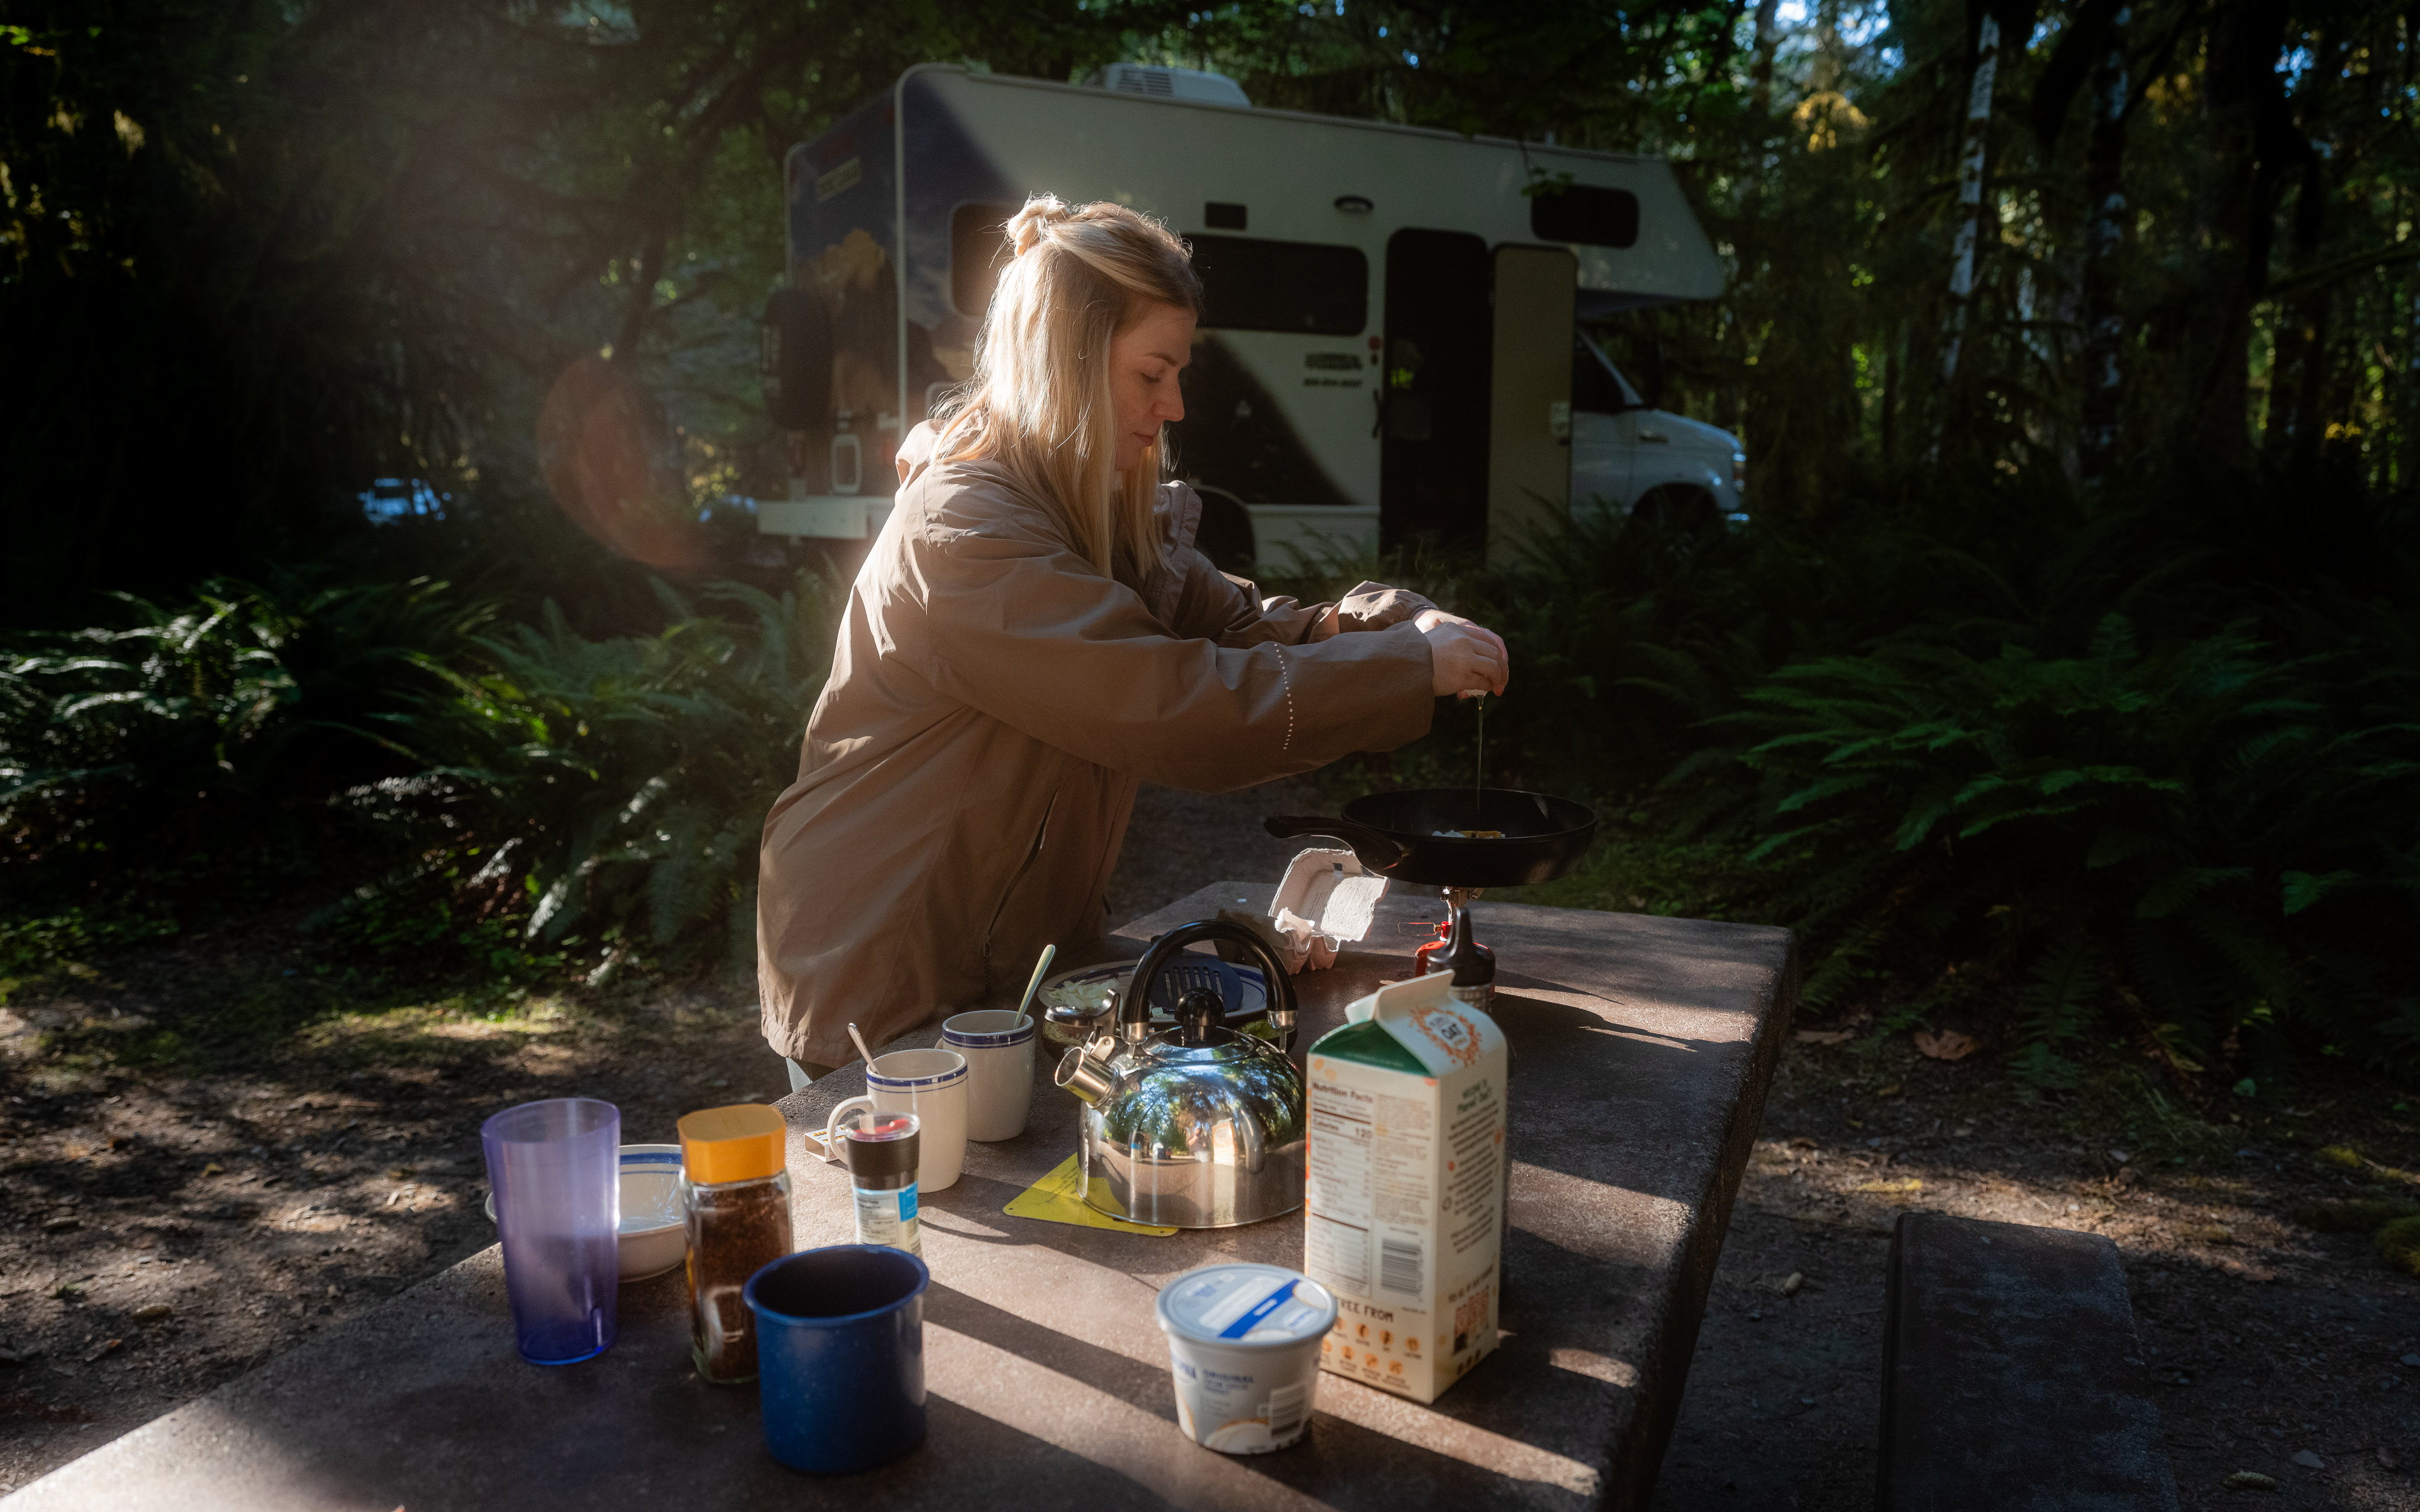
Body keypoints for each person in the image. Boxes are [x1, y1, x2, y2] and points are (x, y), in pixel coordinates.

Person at [757, 195, 1510, 1080]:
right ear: (1066, 366)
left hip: (1005, 957)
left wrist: (1372, 621)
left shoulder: (1098, 516)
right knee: (920, 1212)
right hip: (886, 968)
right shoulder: (966, 532)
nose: (1176, 404)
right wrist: (1406, 669)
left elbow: (1236, 625)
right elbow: (1169, 704)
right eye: (1152, 375)